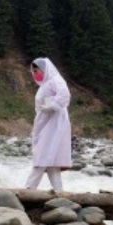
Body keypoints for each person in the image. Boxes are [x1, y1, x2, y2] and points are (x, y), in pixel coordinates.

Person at [25, 58, 72, 194]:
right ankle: (59, 191)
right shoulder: (45, 85)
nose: (35, 74)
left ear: (44, 69)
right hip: (46, 123)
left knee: (42, 155)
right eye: (33, 71)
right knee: (51, 158)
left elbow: (64, 95)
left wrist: (51, 106)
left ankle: (29, 189)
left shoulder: (55, 80)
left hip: (54, 123)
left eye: (37, 70)